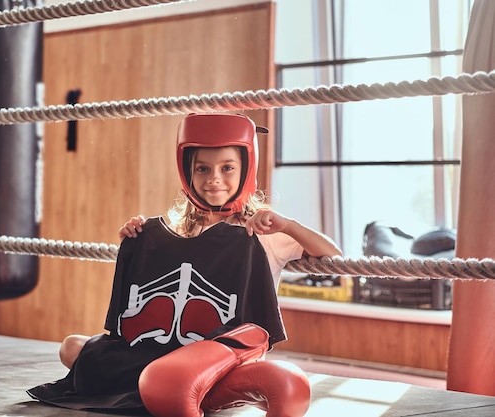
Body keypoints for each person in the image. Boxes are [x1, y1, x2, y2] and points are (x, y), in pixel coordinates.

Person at [27, 112, 342, 414]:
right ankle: (163, 387)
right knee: (72, 347)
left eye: (227, 168)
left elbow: (333, 254)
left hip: (219, 356)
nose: (214, 179)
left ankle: (169, 386)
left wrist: (286, 225)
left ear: (246, 168)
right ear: (186, 172)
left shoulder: (263, 231)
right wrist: (136, 234)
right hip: (161, 350)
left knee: (176, 377)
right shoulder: (180, 227)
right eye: (203, 169)